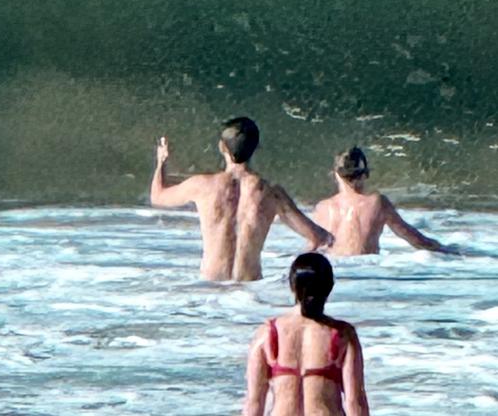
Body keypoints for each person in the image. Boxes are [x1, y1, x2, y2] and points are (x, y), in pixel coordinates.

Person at [149, 117, 332, 281]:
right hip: (250, 294)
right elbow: (320, 238)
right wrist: (289, 276)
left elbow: (158, 197)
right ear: (256, 147)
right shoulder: (272, 193)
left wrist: (161, 162)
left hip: (211, 287)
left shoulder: (203, 185)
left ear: (222, 147)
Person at [242, 252, 369, 416]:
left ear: (292, 286)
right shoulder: (342, 335)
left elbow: (254, 402)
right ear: (329, 287)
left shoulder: (268, 334)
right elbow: (355, 401)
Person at [313, 146, 450, 256]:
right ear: (365, 175)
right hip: (365, 271)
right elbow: (413, 238)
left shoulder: (322, 207)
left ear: (335, 174)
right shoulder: (376, 202)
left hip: (336, 271)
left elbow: (313, 248)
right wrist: (446, 250)